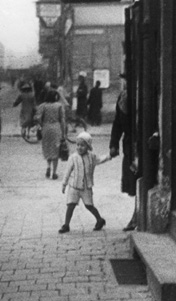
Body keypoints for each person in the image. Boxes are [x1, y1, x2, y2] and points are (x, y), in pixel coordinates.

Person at [59, 132, 111, 234]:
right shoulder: (73, 158)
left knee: (89, 205)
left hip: (87, 187)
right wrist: (64, 184)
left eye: (82, 145)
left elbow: (100, 160)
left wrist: (109, 156)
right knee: (70, 205)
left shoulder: (92, 157)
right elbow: (67, 172)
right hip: (74, 186)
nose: (79, 147)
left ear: (88, 146)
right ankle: (66, 225)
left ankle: (99, 220)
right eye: (78, 145)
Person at [110, 74, 138, 231]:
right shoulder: (123, 97)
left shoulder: (140, 96)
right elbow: (117, 122)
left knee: (139, 178)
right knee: (133, 180)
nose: (125, 82)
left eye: (126, 79)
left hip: (141, 145)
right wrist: (114, 144)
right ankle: (136, 215)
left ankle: (137, 216)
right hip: (129, 146)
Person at [35, 89, 66, 180]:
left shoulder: (42, 106)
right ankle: (54, 172)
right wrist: (63, 133)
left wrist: (41, 125)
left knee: (48, 148)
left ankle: (48, 166)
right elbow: (62, 120)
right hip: (56, 128)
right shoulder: (59, 106)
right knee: (56, 150)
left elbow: (38, 118)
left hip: (46, 128)